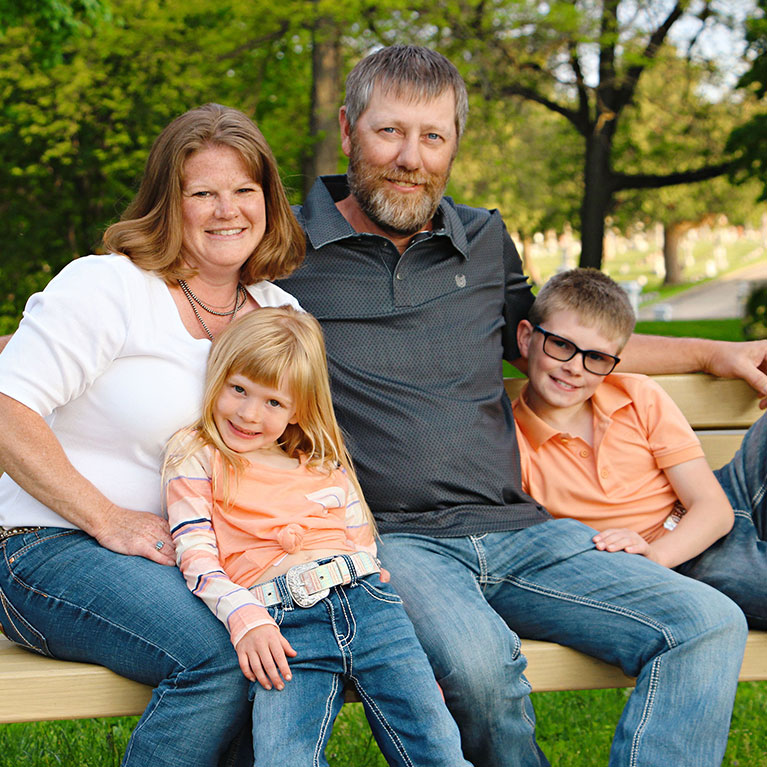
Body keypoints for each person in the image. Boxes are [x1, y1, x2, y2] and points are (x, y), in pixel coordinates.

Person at [276, 44, 758, 767]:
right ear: (348, 130)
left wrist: (711, 352)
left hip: (522, 529)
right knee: (481, 668)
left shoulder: (482, 240)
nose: (411, 156)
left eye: (433, 136)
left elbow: (563, 340)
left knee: (706, 619)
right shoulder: (284, 248)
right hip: (393, 540)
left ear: (454, 146)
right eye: (389, 131)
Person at [0, 103, 305, 767]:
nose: (227, 210)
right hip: (49, 548)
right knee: (222, 653)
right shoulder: (110, 286)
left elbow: (298, 455)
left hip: (202, 560)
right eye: (203, 193)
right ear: (168, 203)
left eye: (243, 191)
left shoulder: (281, 313)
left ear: (268, 201)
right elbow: (6, 406)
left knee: (278, 643)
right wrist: (106, 517)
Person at [163, 306, 471, 767]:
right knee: (284, 758)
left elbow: (361, 541)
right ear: (218, 378)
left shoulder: (324, 463)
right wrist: (244, 616)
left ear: (297, 411)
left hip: (371, 607)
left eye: (273, 402)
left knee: (435, 746)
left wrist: (411, 654)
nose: (248, 414)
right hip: (281, 625)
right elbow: (197, 558)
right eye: (239, 389)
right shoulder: (198, 454)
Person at [513, 267, 767, 628]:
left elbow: (713, 506)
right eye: (561, 345)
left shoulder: (635, 395)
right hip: (683, 560)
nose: (574, 368)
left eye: (596, 358)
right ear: (526, 338)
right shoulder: (513, 443)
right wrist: (655, 558)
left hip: (719, 498)